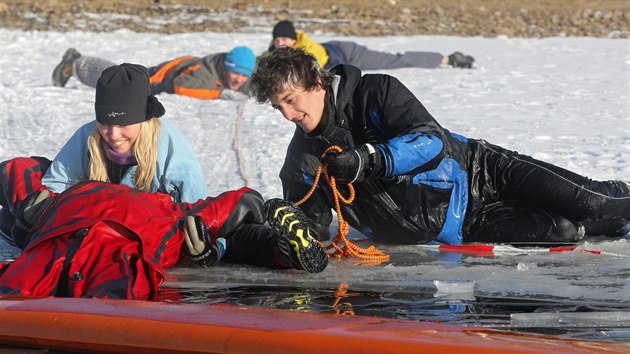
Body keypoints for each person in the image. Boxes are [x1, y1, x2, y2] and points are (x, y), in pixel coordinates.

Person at [249, 47, 630, 246]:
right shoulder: (303, 161)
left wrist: (369, 159)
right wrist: (286, 227)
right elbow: (310, 226)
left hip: (480, 170)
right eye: (278, 106)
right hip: (460, 224)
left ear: (317, 83)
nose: (287, 115)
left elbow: (430, 142)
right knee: (562, 231)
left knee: (590, 201)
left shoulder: (375, 92)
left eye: (291, 100)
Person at [0, 178, 328, 299]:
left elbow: (14, 170)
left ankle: (281, 249)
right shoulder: (166, 208)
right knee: (114, 300)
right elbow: (239, 202)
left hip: (69, 225)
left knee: (18, 290)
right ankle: (280, 251)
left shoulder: (45, 212)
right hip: (140, 227)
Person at [0, 63, 208, 247]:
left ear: (143, 119)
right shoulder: (88, 135)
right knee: (17, 183)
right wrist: (37, 220)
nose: (113, 135)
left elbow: (200, 210)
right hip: (93, 223)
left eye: (123, 124)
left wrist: (209, 247)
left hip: (144, 228)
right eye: (105, 123)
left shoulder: (170, 144)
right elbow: (56, 184)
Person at [52, 46, 256, 100]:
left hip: (178, 67)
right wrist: (219, 94)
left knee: (121, 78)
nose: (239, 79)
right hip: (159, 78)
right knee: (121, 79)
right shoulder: (206, 73)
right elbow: (181, 86)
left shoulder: (237, 76)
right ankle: (75, 63)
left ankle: (76, 61)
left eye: (243, 76)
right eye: (235, 73)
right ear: (226, 68)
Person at [264, 20, 474, 71]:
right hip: (335, 50)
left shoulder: (306, 48)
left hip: (349, 54)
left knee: (394, 61)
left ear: (293, 39)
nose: (281, 43)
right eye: (278, 40)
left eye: (285, 39)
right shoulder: (276, 51)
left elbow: (311, 65)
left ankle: (446, 58)